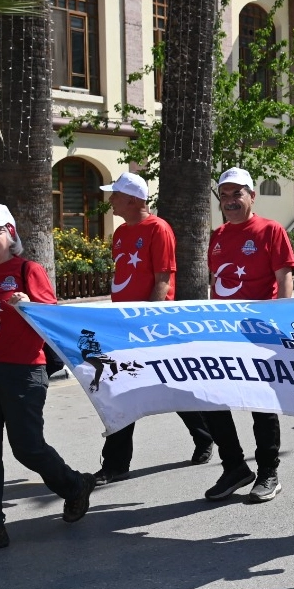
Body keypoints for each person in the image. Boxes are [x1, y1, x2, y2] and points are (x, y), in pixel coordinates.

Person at [0, 204, 97, 556]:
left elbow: (51, 316)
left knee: (27, 448)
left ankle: (74, 485)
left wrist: (28, 303)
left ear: (10, 235)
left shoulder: (26, 269)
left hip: (21, 372)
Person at [92, 172, 213, 485]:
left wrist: (149, 319)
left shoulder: (158, 229)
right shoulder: (120, 233)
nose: (111, 200)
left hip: (151, 326)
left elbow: (163, 278)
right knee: (122, 390)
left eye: (116, 195)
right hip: (123, 325)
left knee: (170, 387)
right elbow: (124, 278)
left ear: (133, 199)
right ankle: (116, 463)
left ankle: (204, 436)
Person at [203, 167, 294, 503]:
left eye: (236, 194)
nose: (229, 201)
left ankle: (268, 472)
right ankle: (234, 468)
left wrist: (282, 321)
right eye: (224, 195)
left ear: (251, 196)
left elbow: (284, 277)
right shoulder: (217, 235)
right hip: (223, 333)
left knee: (261, 404)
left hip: (259, 332)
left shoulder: (270, 231)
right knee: (210, 399)